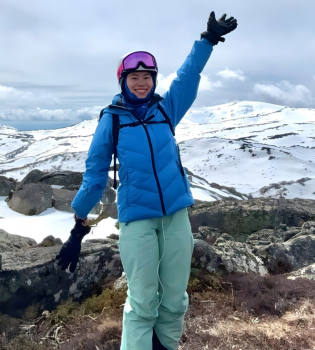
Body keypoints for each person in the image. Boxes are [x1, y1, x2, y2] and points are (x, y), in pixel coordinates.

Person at [56, 11, 238, 350]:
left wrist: (207, 40)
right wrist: (79, 224)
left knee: (174, 299)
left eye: (147, 76)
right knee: (142, 302)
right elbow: (95, 173)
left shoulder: (166, 110)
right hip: (137, 218)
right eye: (134, 77)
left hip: (175, 216)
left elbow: (187, 76)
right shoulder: (112, 121)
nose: (142, 82)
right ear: (123, 81)